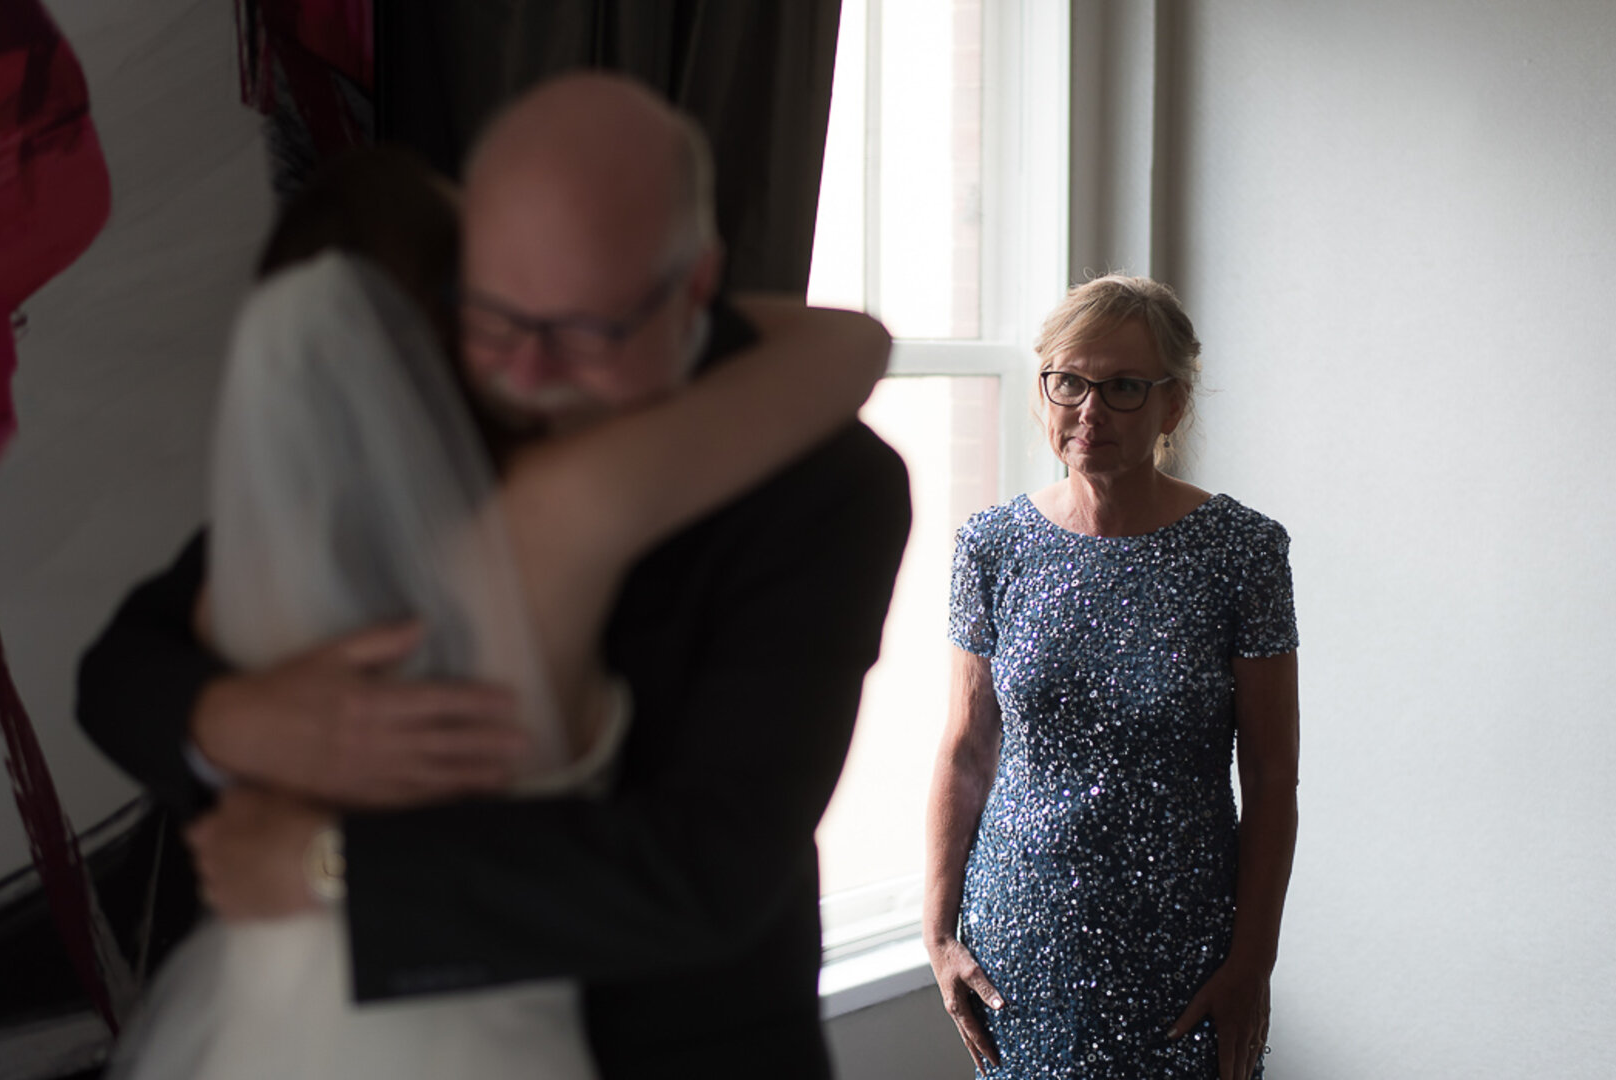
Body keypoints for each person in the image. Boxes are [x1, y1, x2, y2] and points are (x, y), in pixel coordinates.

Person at [78, 74, 911, 1078]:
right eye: (493, 318)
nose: (523, 373)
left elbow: (709, 868)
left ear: (696, 286)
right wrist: (235, 723)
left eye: (580, 333)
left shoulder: (827, 484)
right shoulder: (419, 411)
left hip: (677, 1043)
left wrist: (328, 861)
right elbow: (122, 667)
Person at [923, 274, 1299, 1080]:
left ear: (1173, 404)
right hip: (1017, 948)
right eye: (1069, 381)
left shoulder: (1242, 552)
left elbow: (1270, 777)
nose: (1089, 411)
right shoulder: (990, 546)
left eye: (1123, 387)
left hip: (1185, 950)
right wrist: (939, 936)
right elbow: (964, 751)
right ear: (1044, 389)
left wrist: (1252, 962)